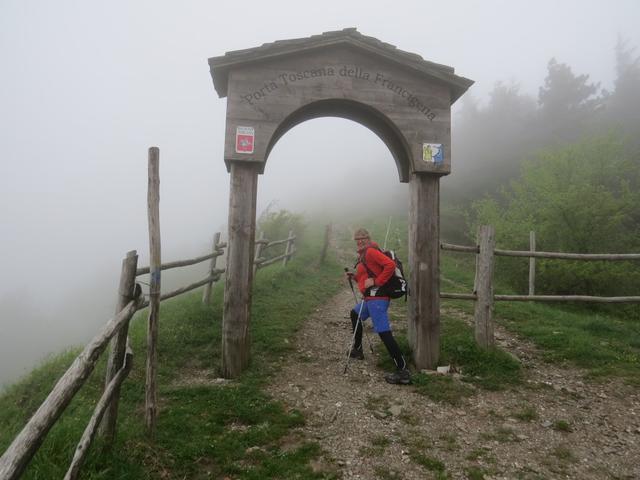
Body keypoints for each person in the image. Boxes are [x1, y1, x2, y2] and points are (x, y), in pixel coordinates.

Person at [346, 228, 411, 385]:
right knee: (355, 314)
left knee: (383, 332)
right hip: (371, 299)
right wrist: (355, 277)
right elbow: (366, 277)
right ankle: (358, 350)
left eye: (363, 238)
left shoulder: (370, 252)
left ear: (369, 238)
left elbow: (389, 265)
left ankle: (403, 371)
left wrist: (376, 282)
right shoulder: (363, 255)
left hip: (378, 299)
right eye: (357, 239)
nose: (360, 241)